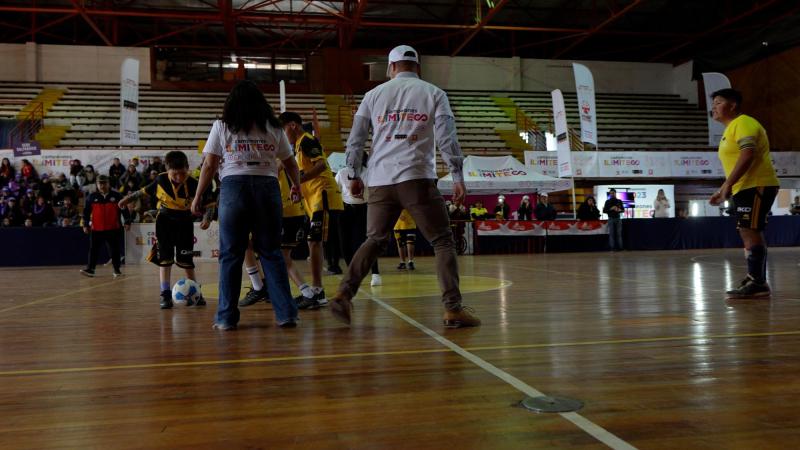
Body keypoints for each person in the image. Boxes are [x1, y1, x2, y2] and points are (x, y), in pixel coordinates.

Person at [330, 44, 480, 328]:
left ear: (391, 67)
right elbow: (447, 139)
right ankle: (453, 308)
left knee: (374, 240)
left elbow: (355, 139)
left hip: (380, 180)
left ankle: (344, 294)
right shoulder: (435, 93)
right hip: (417, 178)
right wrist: (457, 176)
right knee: (442, 240)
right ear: (417, 67)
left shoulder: (372, 96)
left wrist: (352, 175)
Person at [192, 80, 301, 330]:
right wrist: (297, 186)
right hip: (267, 188)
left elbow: (209, 165)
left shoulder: (222, 125)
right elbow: (291, 163)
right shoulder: (274, 127)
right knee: (271, 253)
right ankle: (286, 314)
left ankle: (226, 318)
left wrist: (198, 196)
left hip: (233, 187)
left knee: (230, 254)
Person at [708, 88, 780, 299]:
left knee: (750, 229)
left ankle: (758, 282)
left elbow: (747, 154)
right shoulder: (729, 130)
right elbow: (735, 164)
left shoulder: (744, 122)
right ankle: (754, 277)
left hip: (757, 184)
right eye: (713, 104)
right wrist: (724, 188)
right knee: (746, 230)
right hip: (744, 187)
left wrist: (728, 185)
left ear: (733, 105)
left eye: (719, 102)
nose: (714, 107)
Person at [120, 151, 214, 309]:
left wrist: (208, 218)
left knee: (187, 261)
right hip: (164, 222)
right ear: (167, 169)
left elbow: (209, 203)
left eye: (182, 173)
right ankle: (165, 294)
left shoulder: (194, 183)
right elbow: (143, 191)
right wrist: (127, 199)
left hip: (185, 222)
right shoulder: (160, 180)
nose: (179, 177)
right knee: (165, 259)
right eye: (174, 174)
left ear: (188, 168)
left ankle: (196, 292)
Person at [279, 111, 345, 309]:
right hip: (313, 200)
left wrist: (298, 182)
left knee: (314, 242)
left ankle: (317, 292)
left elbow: (322, 165)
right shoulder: (297, 146)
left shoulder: (307, 140)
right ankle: (317, 291)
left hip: (323, 196)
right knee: (313, 243)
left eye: (283, 130)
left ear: (292, 125)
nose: (283, 135)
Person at [239, 160, 317, 308]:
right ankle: (306, 293)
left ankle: (261, 288)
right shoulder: (278, 157)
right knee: (276, 255)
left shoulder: (274, 159)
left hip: (284, 213)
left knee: (251, 245)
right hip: (290, 212)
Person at [335, 154, 382, 287]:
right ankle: (352, 273)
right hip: (345, 209)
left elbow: (375, 192)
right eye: (350, 160)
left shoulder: (370, 173)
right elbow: (336, 191)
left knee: (369, 241)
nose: (352, 162)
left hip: (365, 209)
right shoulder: (341, 173)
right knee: (345, 242)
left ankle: (375, 273)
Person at [80, 175, 127, 278]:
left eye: (104, 183)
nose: (102, 185)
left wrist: (127, 221)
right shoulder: (91, 197)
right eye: (100, 183)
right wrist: (85, 224)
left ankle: (117, 270)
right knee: (93, 250)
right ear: (97, 184)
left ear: (108, 183)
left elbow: (124, 209)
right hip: (96, 229)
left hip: (113, 228)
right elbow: (86, 212)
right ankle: (90, 269)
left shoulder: (117, 196)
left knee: (115, 250)